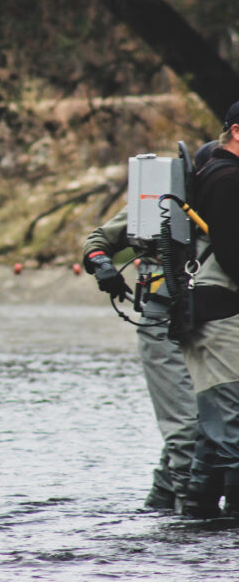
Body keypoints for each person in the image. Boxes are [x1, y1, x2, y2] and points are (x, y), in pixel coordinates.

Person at [83, 207, 198, 512]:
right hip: (161, 316)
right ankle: (194, 518)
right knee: (186, 429)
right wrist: (103, 266)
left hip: (214, 318)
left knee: (207, 421)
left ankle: (161, 505)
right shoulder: (166, 191)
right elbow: (97, 242)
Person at [178, 103, 239, 518]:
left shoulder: (216, 173)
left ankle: (196, 511)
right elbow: (233, 253)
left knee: (214, 422)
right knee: (232, 420)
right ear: (237, 131)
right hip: (218, 313)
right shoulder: (227, 178)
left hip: (209, 311)